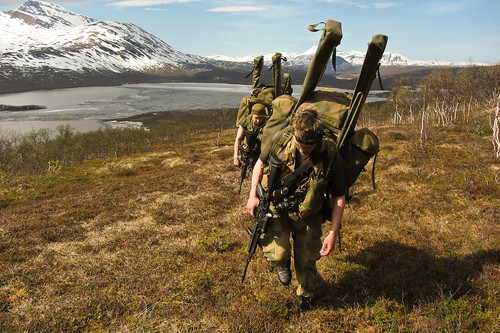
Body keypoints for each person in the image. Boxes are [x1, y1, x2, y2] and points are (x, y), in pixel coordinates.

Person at [246, 109, 346, 314]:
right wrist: (252, 196)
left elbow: (339, 197)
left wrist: (333, 232)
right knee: (277, 254)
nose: (302, 151)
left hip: (309, 213)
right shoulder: (280, 140)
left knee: (307, 259)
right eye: (299, 145)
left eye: (308, 147)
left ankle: (305, 298)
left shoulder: (330, 154)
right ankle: (282, 264)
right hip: (278, 207)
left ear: (317, 140)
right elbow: (259, 164)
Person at [233, 103, 267, 169]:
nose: (258, 120)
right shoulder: (246, 121)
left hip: (262, 153)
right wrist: (236, 157)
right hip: (249, 152)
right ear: (252, 114)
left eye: (261, 118)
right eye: (256, 118)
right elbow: (238, 139)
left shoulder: (268, 123)